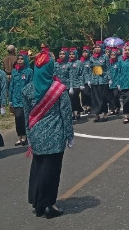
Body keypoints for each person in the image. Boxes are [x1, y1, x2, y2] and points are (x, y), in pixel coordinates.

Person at [24, 50, 74, 219]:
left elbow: (27, 116)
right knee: (51, 171)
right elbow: (66, 114)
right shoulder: (58, 89)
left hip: (36, 135)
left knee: (38, 168)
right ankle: (49, 205)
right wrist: (69, 134)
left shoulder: (28, 90)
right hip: (55, 135)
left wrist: (28, 135)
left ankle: (37, 203)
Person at [10, 50, 32, 145]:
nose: (19, 61)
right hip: (16, 99)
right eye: (18, 59)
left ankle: (26, 136)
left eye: (22, 59)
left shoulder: (29, 71)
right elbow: (12, 85)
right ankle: (20, 136)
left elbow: (31, 85)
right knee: (18, 117)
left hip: (26, 99)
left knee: (25, 118)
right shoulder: (14, 71)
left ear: (25, 60)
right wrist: (10, 100)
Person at [85, 41, 109, 122]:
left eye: (99, 47)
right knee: (95, 98)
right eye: (96, 47)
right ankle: (97, 114)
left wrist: (109, 78)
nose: (97, 49)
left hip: (103, 79)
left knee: (103, 97)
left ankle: (105, 112)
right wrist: (89, 79)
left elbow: (108, 68)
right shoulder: (92, 57)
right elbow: (89, 70)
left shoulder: (105, 57)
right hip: (94, 80)